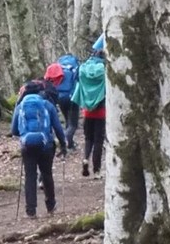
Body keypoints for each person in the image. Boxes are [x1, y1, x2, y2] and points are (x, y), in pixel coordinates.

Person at [10, 78, 70, 219]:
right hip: (46, 145)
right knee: (47, 174)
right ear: (40, 91)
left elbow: (13, 130)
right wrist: (63, 144)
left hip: (27, 145)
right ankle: (51, 205)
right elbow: (57, 127)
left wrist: (25, 134)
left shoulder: (20, 106)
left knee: (30, 176)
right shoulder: (47, 105)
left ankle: (31, 210)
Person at [73, 37, 109, 177]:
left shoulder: (83, 69)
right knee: (99, 141)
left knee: (88, 139)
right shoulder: (104, 70)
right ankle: (97, 171)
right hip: (101, 111)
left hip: (87, 111)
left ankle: (85, 159)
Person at [51, 51, 83, 147]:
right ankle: (64, 141)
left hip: (59, 97)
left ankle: (70, 143)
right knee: (73, 124)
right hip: (72, 96)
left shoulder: (59, 66)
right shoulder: (75, 66)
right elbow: (79, 80)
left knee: (67, 120)